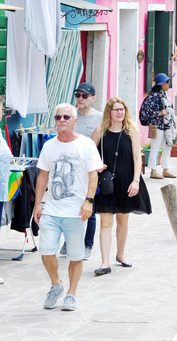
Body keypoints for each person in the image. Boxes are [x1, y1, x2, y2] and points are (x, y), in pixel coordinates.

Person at [34, 103, 103, 311]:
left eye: (66, 117)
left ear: (75, 120)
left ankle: (71, 293)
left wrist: (89, 201)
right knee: (46, 251)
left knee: (75, 255)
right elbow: (43, 176)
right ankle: (56, 285)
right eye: (58, 117)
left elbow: (93, 174)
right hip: (52, 210)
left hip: (77, 212)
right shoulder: (49, 146)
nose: (62, 120)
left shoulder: (86, 145)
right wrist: (38, 204)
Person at [91, 98, 152, 276]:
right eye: (116, 109)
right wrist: (96, 165)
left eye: (122, 109)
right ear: (109, 112)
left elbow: (136, 158)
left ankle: (121, 254)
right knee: (105, 222)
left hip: (126, 181)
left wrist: (136, 181)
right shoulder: (100, 131)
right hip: (107, 182)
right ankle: (104, 262)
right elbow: (89, 152)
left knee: (123, 220)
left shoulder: (131, 130)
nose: (120, 112)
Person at [59, 82, 102, 260]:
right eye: (78, 95)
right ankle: (69, 241)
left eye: (84, 96)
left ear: (93, 98)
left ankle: (87, 245)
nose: (80, 99)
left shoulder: (99, 118)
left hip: (87, 168)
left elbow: (94, 144)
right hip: (68, 167)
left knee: (88, 206)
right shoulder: (69, 115)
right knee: (68, 206)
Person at [141, 73, 177, 180]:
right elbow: (145, 111)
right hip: (157, 126)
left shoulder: (165, 94)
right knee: (155, 148)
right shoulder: (152, 96)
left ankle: (165, 169)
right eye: (166, 82)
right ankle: (153, 170)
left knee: (167, 147)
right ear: (161, 84)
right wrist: (159, 113)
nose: (168, 84)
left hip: (167, 126)